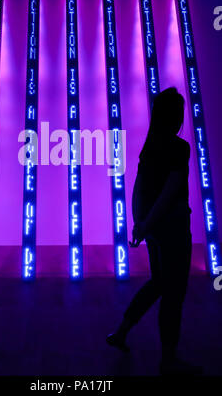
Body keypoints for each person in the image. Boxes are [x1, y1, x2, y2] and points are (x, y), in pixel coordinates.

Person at [106, 87, 201, 375]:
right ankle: (168, 361)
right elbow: (170, 191)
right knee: (174, 295)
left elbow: (138, 189)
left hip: (155, 231)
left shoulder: (151, 146)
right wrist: (145, 223)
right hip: (172, 230)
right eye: (180, 111)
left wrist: (140, 223)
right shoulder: (179, 148)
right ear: (175, 116)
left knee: (158, 283)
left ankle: (121, 332)